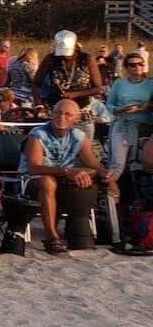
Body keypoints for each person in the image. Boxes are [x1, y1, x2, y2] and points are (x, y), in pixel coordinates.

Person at [19, 100, 116, 255]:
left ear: (76, 118)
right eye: (58, 112)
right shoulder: (37, 135)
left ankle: (103, 233)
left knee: (95, 179)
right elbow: (33, 168)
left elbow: (91, 162)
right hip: (32, 182)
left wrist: (104, 172)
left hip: (63, 183)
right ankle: (51, 237)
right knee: (48, 181)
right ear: (52, 113)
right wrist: (66, 171)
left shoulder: (78, 136)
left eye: (67, 114)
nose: (61, 117)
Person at [32, 30, 103, 141]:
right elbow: (36, 84)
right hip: (56, 113)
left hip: (81, 114)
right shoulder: (51, 60)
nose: (65, 56)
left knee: (82, 150)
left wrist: (76, 94)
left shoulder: (87, 59)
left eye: (67, 53)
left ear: (75, 47)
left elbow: (97, 88)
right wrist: (38, 105)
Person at [105, 52, 152, 178]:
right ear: (126, 68)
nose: (137, 67)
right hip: (123, 122)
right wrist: (117, 110)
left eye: (140, 64)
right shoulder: (119, 84)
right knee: (117, 164)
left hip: (144, 126)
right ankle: (110, 190)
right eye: (133, 65)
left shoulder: (150, 84)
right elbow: (109, 103)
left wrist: (147, 106)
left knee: (140, 165)